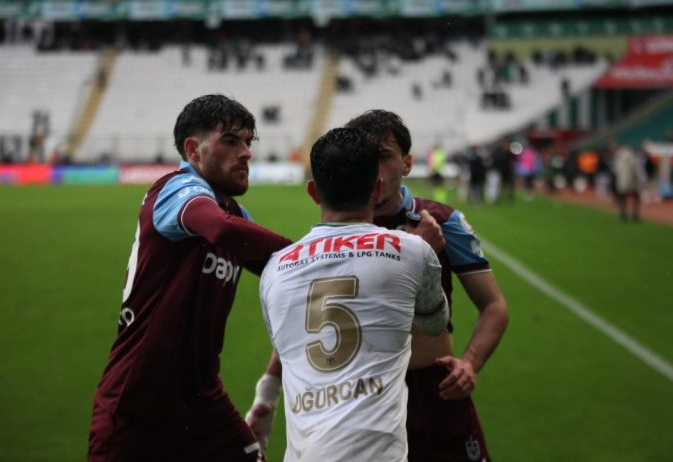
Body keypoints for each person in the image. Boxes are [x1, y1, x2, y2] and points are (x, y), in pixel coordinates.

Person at [247, 110, 509, 462]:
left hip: (433, 389)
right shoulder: (339, 230)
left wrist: (470, 363)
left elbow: (493, 305)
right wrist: (268, 388)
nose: (377, 169)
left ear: (407, 163)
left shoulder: (442, 221)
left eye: (384, 156)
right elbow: (310, 319)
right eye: (368, 159)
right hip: (359, 396)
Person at [88, 94, 293, 462]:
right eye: (231, 141)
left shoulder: (237, 216)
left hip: (203, 404)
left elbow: (286, 270)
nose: (246, 152)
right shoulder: (175, 189)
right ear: (193, 150)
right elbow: (218, 228)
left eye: (248, 142)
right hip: (136, 406)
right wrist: (309, 253)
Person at [259, 127, 449, 461]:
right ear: (376, 189)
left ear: (313, 192)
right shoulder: (413, 251)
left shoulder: (274, 269)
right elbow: (435, 325)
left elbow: (284, 347)